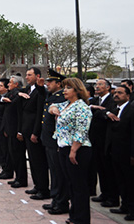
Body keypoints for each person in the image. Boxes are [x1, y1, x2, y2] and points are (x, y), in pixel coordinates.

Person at [49, 77, 93, 224]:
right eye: (64, 88)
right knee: (71, 184)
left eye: (68, 88)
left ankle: (81, 219)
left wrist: (73, 150)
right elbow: (52, 106)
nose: (64, 91)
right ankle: (74, 215)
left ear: (77, 90)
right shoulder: (66, 104)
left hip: (77, 150)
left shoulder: (81, 107)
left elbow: (81, 131)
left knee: (79, 185)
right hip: (63, 147)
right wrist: (54, 109)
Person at [18, 67, 49, 200]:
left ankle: (43, 189)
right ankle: (37, 185)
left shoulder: (41, 91)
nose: (26, 77)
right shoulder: (28, 90)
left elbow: (39, 114)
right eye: (26, 75)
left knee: (39, 161)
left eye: (29, 75)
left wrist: (36, 132)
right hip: (26, 129)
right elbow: (14, 91)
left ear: (37, 76)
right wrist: (19, 94)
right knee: (32, 160)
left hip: (33, 131)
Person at [40, 69, 69, 215]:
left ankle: (61, 202)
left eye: (50, 82)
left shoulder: (61, 97)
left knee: (59, 173)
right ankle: (56, 200)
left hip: (56, 140)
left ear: (59, 83)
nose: (47, 84)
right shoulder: (52, 95)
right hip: (49, 140)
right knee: (54, 172)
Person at [105, 84, 134, 221]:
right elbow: (98, 110)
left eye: (120, 93)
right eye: (115, 93)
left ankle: (133, 210)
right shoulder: (114, 109)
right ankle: (124, 205)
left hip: (127, 153)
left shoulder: (131, 110)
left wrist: (133, 154)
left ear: (128, 96)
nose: (116, 95)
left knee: (130, 182)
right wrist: (107, 113)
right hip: (114, 152)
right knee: (120, 181)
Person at [88, 78, 118, 207]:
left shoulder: (111, 100)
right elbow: (87, 108)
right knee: (100, 168)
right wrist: (94, 107)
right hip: (95, 140)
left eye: (100, 85)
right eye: (96, 85)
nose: (97, 87)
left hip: (106, 140)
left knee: (108, 170)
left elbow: (109, 115)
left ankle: (112, 197)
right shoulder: (94, 101)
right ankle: (104, 193)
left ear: (107, 87)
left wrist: (101, 111)